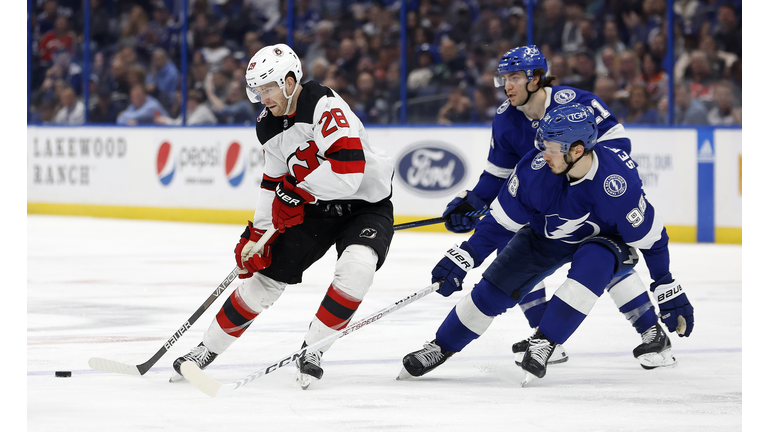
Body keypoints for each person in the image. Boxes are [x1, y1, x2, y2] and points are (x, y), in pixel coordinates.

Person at [400, 103, 694, 383]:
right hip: (546, 237)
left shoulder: (617, 184)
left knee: (594, 261)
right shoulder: (534, 169)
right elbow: (499, 222)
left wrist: (665, 283)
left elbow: (653, 239)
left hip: (605, 242)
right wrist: (466, 254)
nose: (544, 154)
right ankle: (441, 346)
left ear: (577, 150)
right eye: (543, 145)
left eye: (552, 148)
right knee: (492, 291)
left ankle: (546, 340)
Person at [171, 44, 396, 389]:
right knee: (263, 279)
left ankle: (314, 350)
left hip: (365, 205)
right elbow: (272, 182)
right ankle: (205, 349)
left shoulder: (325, 105)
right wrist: (256, 234)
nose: (263, 98)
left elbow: (349, 171)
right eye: (257, 91)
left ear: (290, 82)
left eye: (268, 88)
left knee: (357, 269)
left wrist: (298, 190)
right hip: (315, 208)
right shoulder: (268, 125)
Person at [433, 45, 670, 368]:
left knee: (601, 258)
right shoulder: (505, 118)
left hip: (593, 200)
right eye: (504, 78)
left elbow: (618, 150)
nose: (507, 86)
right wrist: (473, 202)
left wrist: (575, 188)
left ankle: (651, 330)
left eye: (515, 77)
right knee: (513, 253)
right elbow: (498, 174)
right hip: (544, 201)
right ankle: (544, 337)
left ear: (537, 78)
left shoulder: (579, 103)